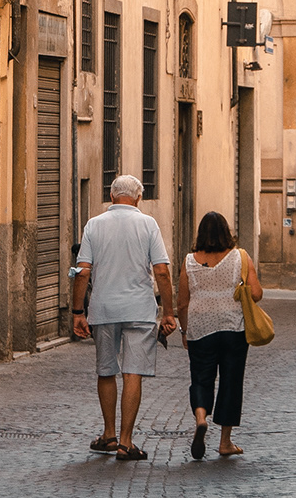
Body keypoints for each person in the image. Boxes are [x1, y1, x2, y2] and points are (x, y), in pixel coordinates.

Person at [71, 174, 176, 463]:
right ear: (139, 198)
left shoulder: (94, 225)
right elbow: (162, 271)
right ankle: (126, 443)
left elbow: (82, 271)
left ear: (112, 196)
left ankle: (108, 434)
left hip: (104, 309)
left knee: (106, 370)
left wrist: (78, 311)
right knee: (133, 372)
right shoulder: (148, 224)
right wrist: (168, 312)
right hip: (139, 310)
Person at [178, 211, 261, 459]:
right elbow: (256, 294)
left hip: (200, 327)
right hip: (233, 327)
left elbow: (182, 303)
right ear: (227, 232)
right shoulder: (240, 257)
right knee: (231, 381)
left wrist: (185, 331)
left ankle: (201, 418)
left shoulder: (189, 261)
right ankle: (225, 442)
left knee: (201, 377)